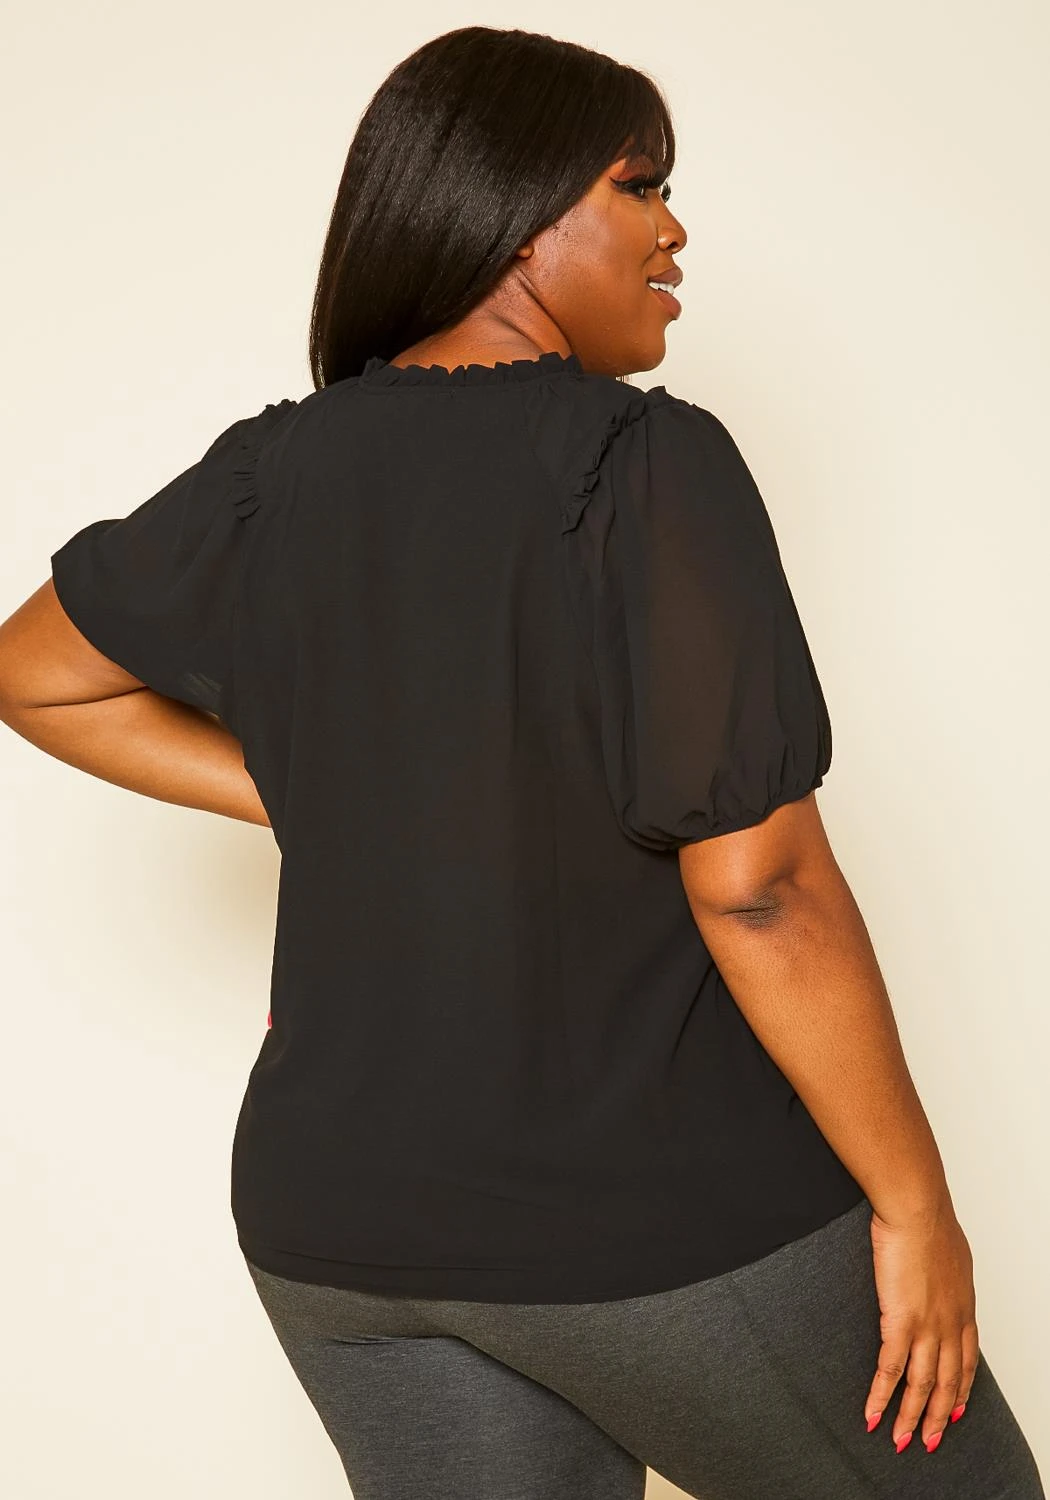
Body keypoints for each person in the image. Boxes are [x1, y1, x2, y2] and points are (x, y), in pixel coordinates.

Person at [0, 23, 1043, 1500]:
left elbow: (33, 673)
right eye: (639, 186)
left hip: (340, 1239)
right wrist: (915, 1204)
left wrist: (332, 790)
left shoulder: (273, 470)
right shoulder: (645, 463)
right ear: (513, 214)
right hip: (644, 1217)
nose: (675, 230)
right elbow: (760, 890)